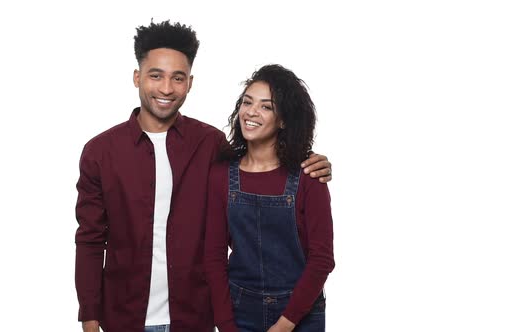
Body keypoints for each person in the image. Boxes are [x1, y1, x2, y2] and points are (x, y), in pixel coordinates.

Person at [75, 21, 332, 332]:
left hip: (195, 318)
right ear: (137, 77)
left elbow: (263, 165)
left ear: (190, 83)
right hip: (123, 317)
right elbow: (90, 240)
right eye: (156, 75)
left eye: (178, 78)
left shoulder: (210, 145)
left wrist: (311, 161)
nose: (166, 88)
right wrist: (89, 319)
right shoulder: (100, 152)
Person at [204, 64, 334, 332]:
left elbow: (322, 259)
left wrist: (285, 324)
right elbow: (214, 256)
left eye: (266, 106)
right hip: (240, 310)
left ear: (284, 120)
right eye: (247, 102)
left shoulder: (309, 177)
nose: (251, 112)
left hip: (301, 314)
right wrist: (226, 325)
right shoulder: (221, 175)